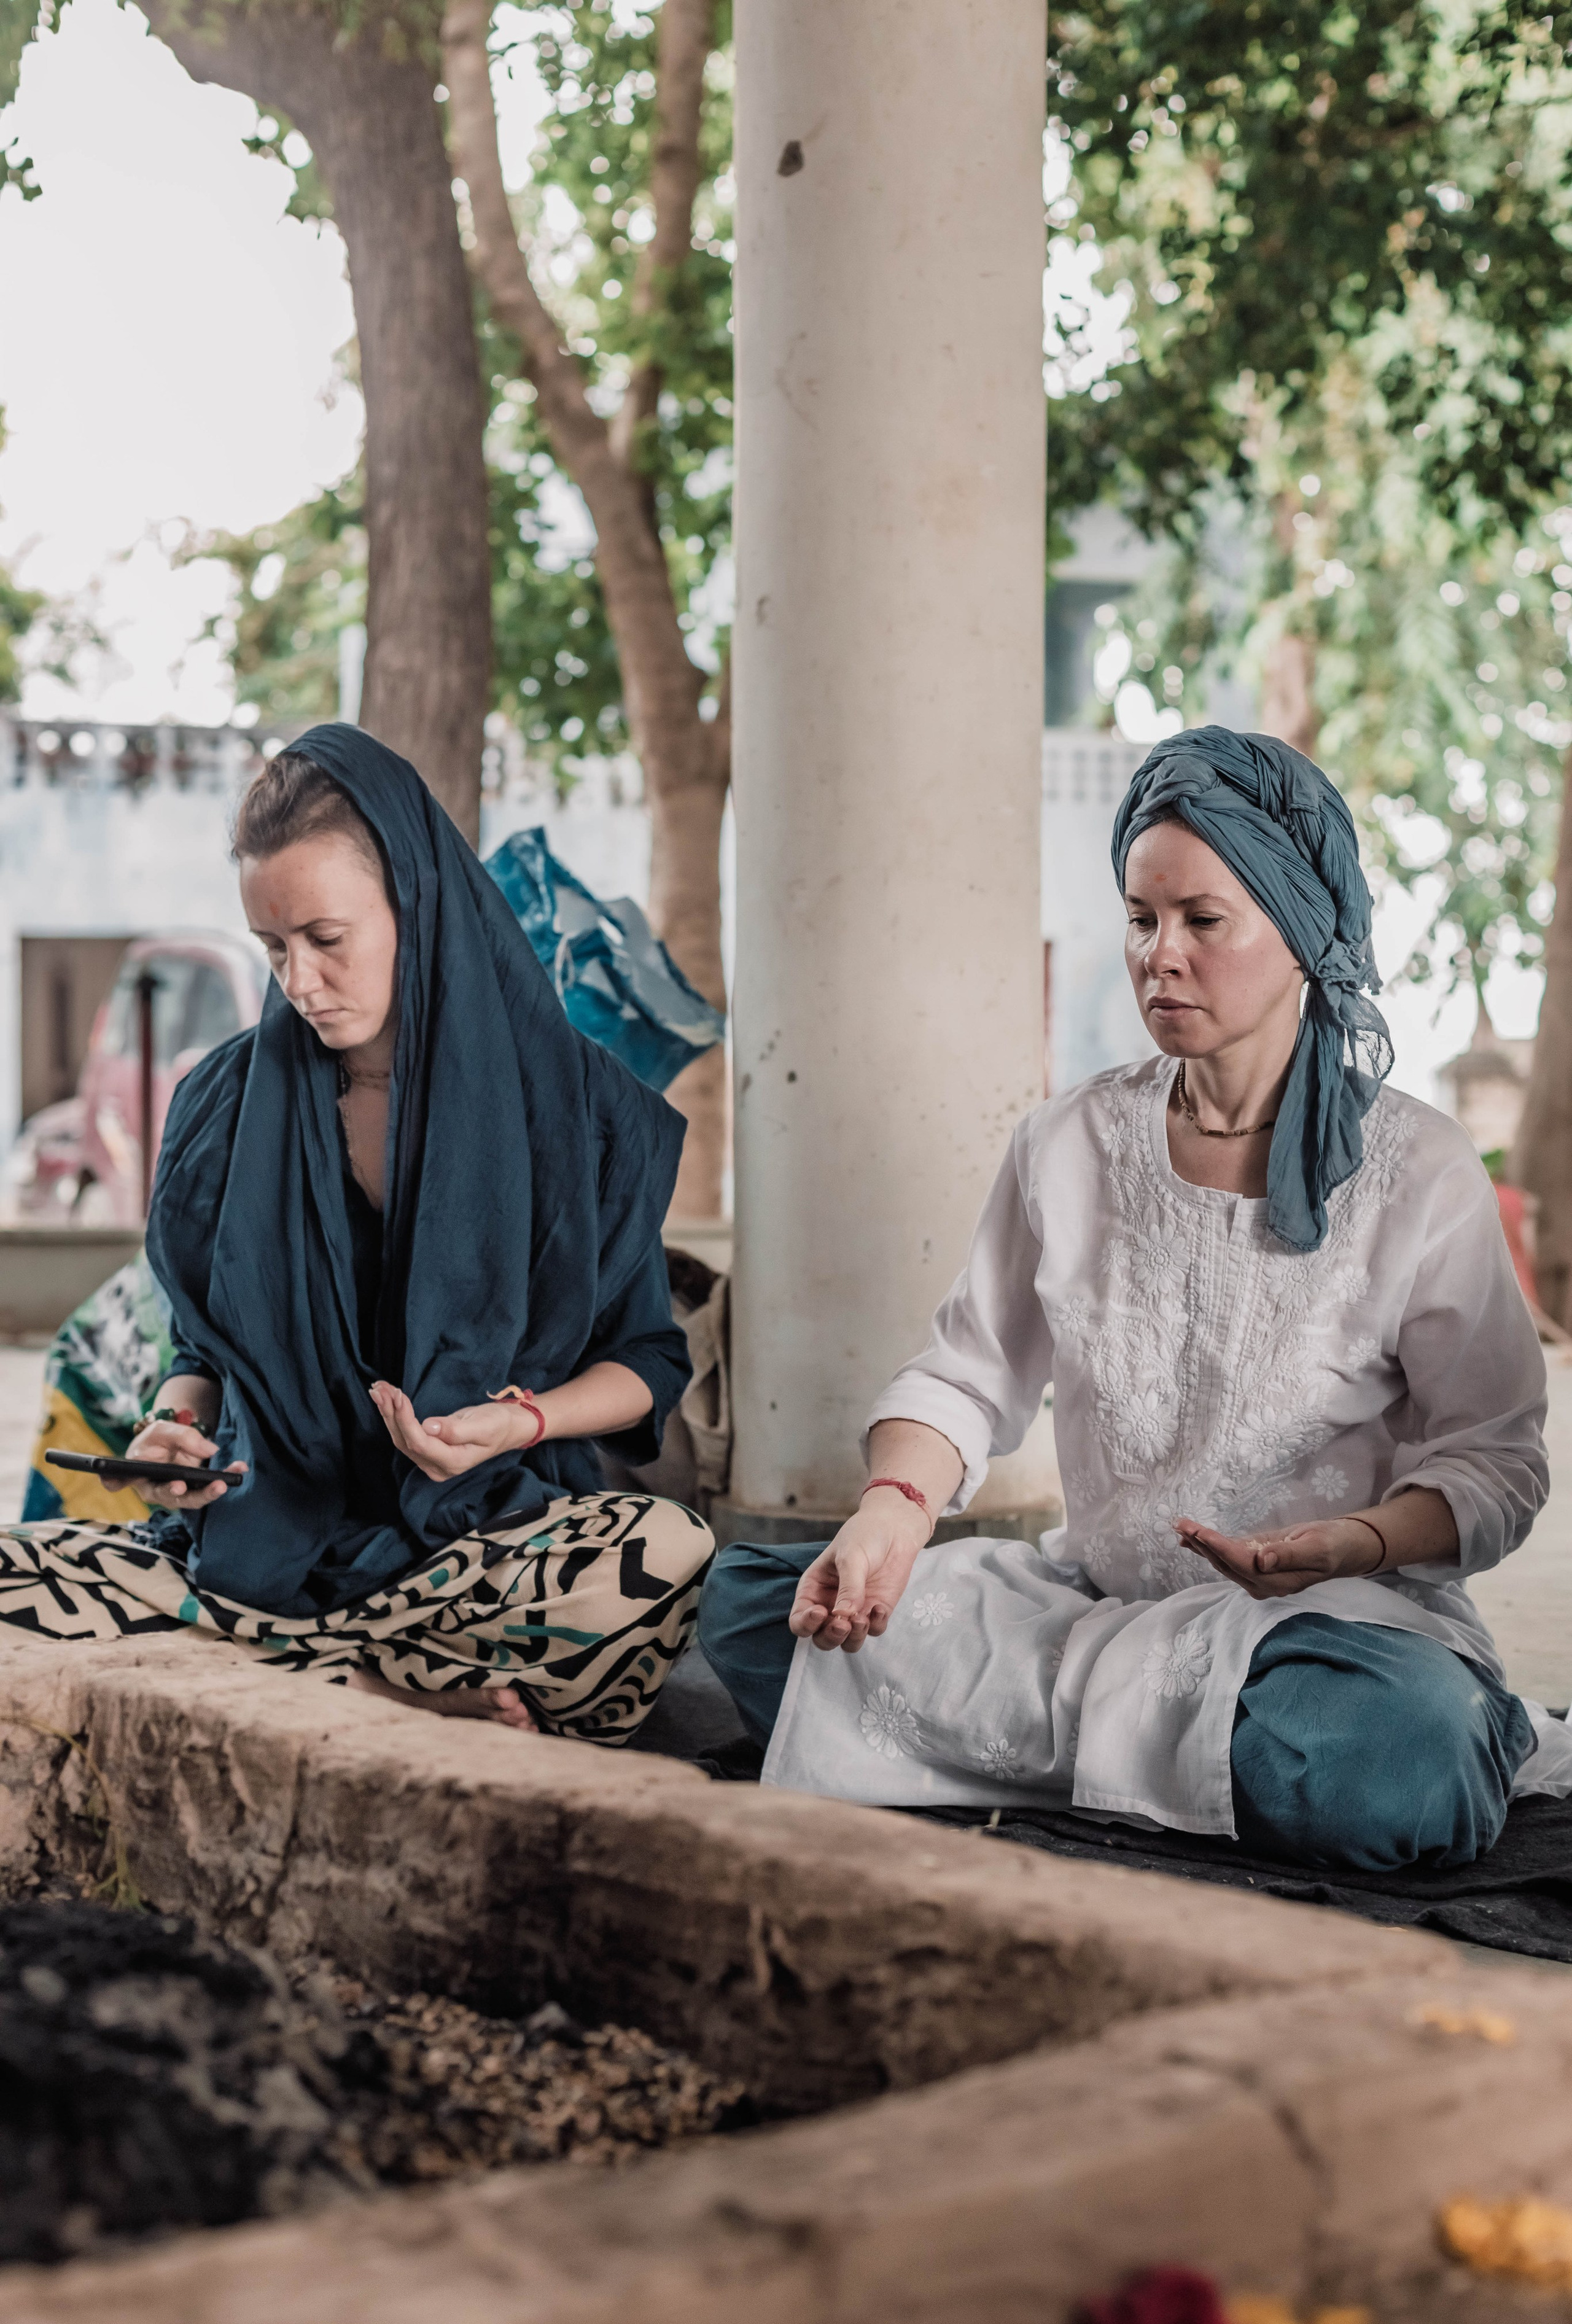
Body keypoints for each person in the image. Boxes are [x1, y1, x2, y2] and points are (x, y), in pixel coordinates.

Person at [700, 725, 1572, 1867]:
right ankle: (1166, 1764)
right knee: (759, 1603)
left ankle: (1023, 1756)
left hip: (1318, 1640)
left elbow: (1496, 1460)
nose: (1161, 955)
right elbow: (967, 1373)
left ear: (1303, 930)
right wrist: (890, 1515)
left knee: (1405, 1748)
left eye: (1202, 921)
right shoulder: (1068, 1142)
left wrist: (1354, 1544)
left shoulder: (1419, 1169)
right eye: (1141, 918)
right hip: (1091, 1616)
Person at [0, 725, 713, 1742]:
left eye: (326, 940)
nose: (298, 980)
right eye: (272, 948)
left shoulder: (576, 1105)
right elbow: (204, 1351)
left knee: (658, 1556)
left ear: (415, 907)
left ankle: (273, 1677)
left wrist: (518, 1426)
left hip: (477, 1548)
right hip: (262, 1542)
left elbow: (647, 1360)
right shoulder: (224, 1104)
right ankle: (377, 1690)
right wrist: (178, 1427)